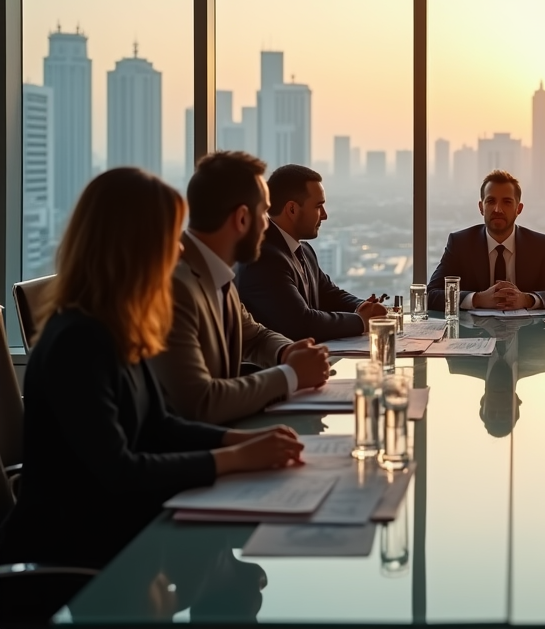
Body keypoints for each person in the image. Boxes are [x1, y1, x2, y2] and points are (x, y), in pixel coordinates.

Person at [0, 167, 306, 570]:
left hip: (118, 532)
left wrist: (240, 441)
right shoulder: (78, 342)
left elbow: (159, 425)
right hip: (76, 557)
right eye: (169, 238)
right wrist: (236, 458)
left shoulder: (117, 326)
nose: (179, 252)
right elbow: (119, 471)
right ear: (134, 247)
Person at [150, 152, 332, 425]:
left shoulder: (215, 273)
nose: (267, 225)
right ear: (243, 219)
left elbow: (255, 336)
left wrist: (288, 352)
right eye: (264, 213)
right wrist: (291, 375)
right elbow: (200, 403)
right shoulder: (176, 286)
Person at [236, 164, 387, 342]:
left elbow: (328, 293)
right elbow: (301, 323)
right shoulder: (264, 257)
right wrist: (361, 321)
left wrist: (362, 306)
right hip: (278, 365)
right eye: (318, 206)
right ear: (292, 209)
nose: (324, 215)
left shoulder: (304, 250)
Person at [427, 170, 545, 312]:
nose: (498, 209)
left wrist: (525, 299)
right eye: (491, 201)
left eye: (507, 202)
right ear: (481, 207)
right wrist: (478, 299)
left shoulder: (539, 245)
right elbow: (431, 295)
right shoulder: (460, 243)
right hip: (473, 333)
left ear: (518, 209)